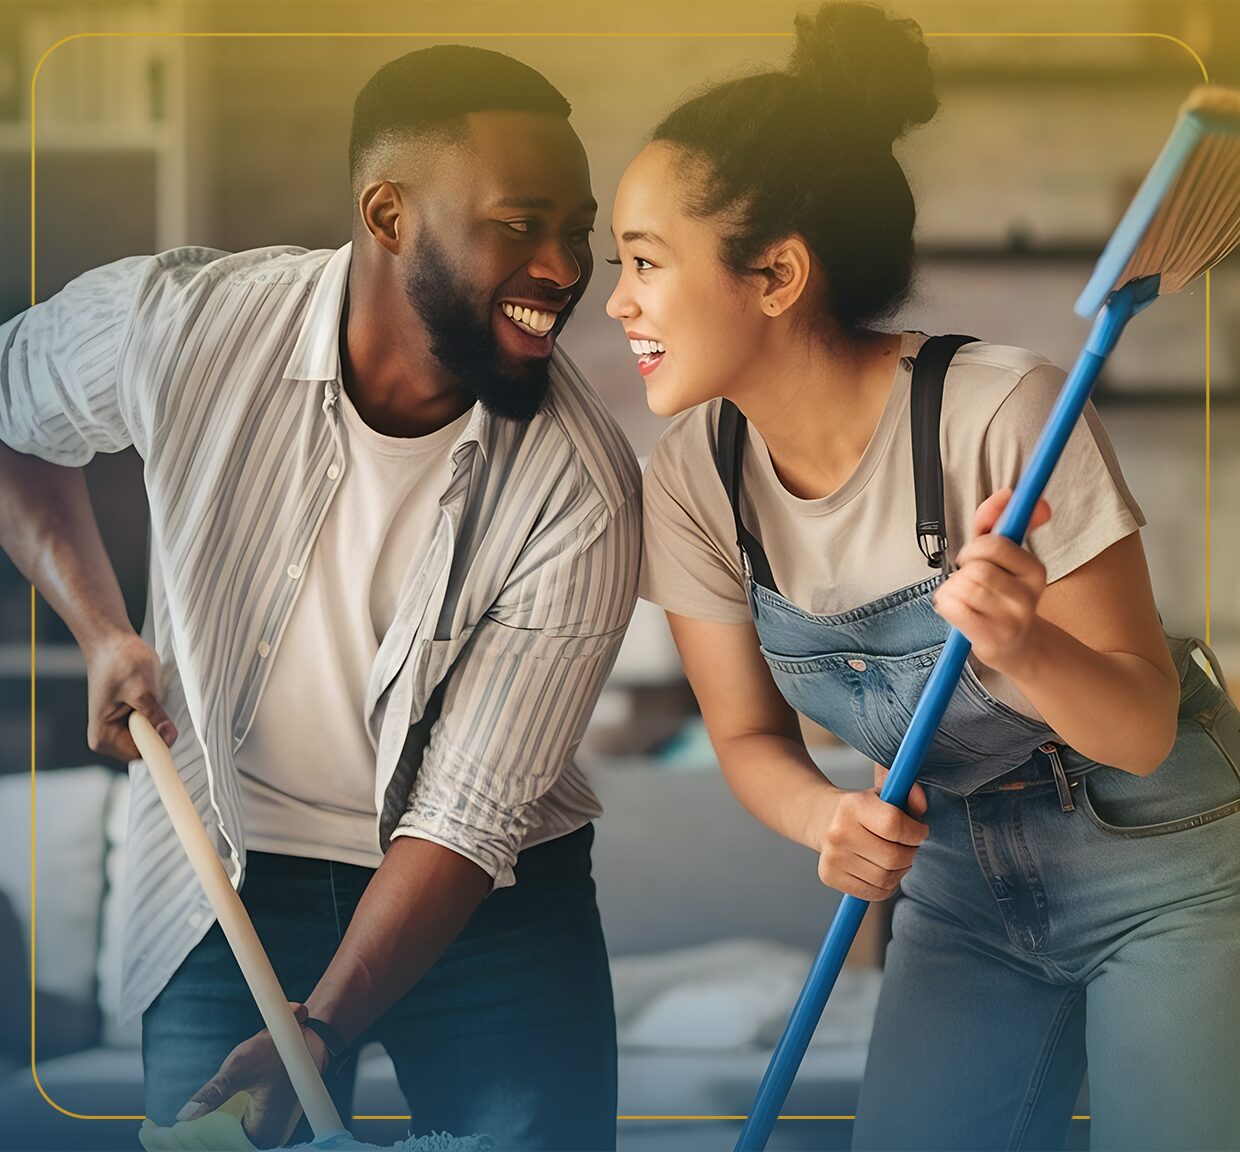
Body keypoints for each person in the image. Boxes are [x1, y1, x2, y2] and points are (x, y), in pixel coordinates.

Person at [608, 4, 1240, 1149]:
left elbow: (1143, 727)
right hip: (957, 879)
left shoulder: (1000, 411)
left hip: (1166, 866)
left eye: (645, 263)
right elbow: (749, 742)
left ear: (777, 273)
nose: (618, 302)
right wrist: (826, 817)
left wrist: (1022, 645)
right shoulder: (693, 478)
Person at [0, 45, 639, 1151]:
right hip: (225, 886)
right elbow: (10, 411)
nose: (565, 266)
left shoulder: (581, 487)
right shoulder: (183, 328)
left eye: (577, 228)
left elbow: (467, 815)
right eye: (520, 221)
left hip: (491, 908)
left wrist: (321, 1031)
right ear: (388, 214)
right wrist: (102, 629)